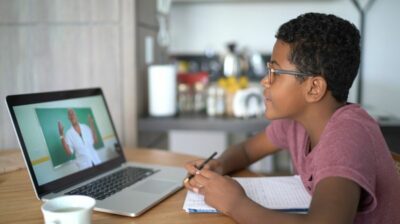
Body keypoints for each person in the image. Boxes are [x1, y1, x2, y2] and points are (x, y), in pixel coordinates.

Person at [184, 13, 400, 224]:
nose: (264, 82)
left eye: (275, 73)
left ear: (314, 88)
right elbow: (247, 150)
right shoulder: (297, 123)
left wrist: (236, 204)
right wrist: (220, 165)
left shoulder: (346, 137)